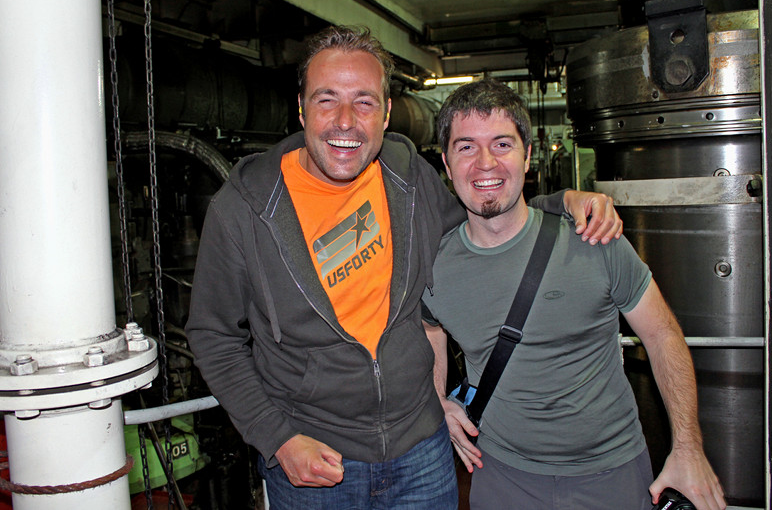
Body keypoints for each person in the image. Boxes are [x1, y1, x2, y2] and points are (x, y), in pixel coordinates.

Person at [185, 26, 622, 509]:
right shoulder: (245, 208)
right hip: (315, 459)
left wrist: (563, 203)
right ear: (302, 107)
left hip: (422, 450)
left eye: (365, 102)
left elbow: (484, 220)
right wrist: (278, 437)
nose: (346, 121)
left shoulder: (406, 176)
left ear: (388, 113)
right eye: (327, 99)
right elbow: (213, 335)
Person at [422, 79, 726, 510]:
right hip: (503, 478)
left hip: (612, 474)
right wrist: (438, 402)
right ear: (447, 165)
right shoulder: (436, 266)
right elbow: (428, 326)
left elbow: (662, 336)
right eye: (466, 147)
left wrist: (689, 449)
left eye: (503, 144)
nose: (485, 164)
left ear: (527, 157)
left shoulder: (594, 240)